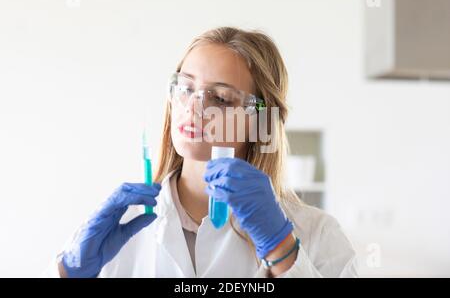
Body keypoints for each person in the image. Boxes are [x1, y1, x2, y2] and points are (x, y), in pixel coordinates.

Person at [45, 26, 358, 278]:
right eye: (185, 88)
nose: (194, 106)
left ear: (260, 120)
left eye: (220, 98)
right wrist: (67, 273)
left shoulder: (317, 234)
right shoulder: (120, 228)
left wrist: (283, 252)